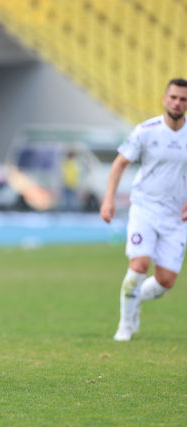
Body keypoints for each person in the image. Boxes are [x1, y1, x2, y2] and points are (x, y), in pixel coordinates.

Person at [100, 77, 187, 342]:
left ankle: (135, 300)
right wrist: (108, 199)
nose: (177, 102)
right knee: (138, 264)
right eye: (173, 97)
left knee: (166, 282)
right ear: (164, 99)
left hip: (176, 216)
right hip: (145, 208)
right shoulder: (146, 131)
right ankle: (125, 326)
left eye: (183, 99)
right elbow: (119, 164)